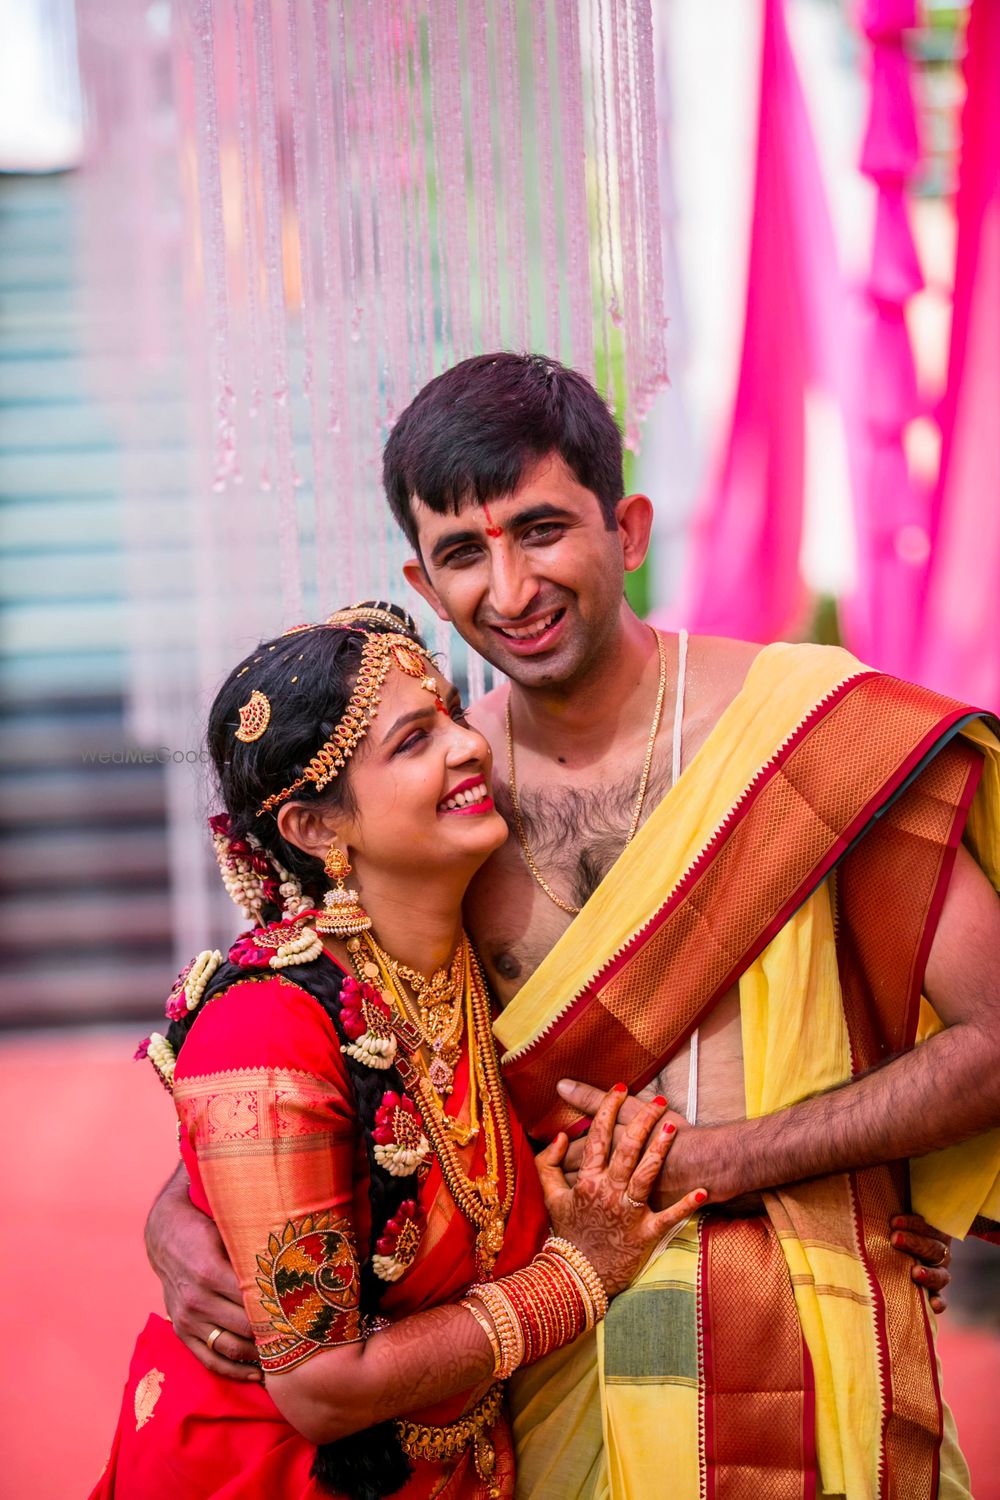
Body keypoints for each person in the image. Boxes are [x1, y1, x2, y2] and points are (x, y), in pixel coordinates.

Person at [148, 354, 1000, 1500]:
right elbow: (308, 1047)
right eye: (462, 554)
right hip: (547, 1368)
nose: (508, 589)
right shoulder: (431, 808)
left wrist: (734, 1162)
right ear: (422, 574)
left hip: (806, 1317)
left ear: (629, 527)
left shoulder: (806, 732)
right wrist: (178, 1219)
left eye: (542, 529)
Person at [92, 604, 708, 1500]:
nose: (469, 747)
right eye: (414, 742)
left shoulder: (466, 959)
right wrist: (579, 1275)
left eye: (454, 714)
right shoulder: (267, 1031)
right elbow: (319, 1389)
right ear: (314, 828)